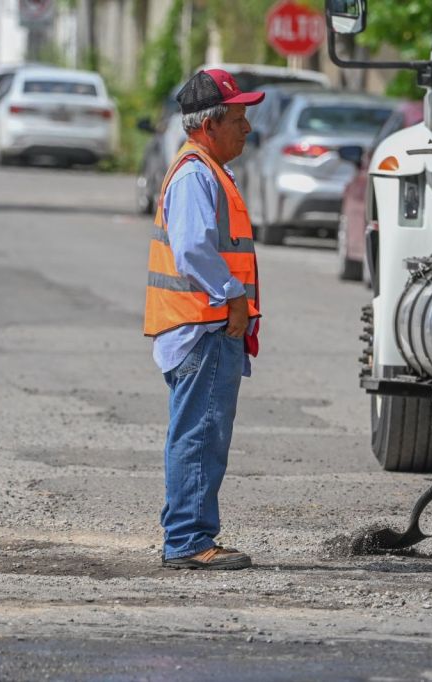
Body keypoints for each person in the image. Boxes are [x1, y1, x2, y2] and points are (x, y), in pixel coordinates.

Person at [142, 69, 265, 570]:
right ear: (209, 124)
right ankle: (190, 541)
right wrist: (233, 296)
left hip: (197, 328)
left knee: (197, 432)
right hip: (203, 328)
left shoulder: (202, 168)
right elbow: (194, 248)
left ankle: (187, 532)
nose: (247, 128)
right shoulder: (197, 173)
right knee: (199, 434)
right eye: (239, 118)